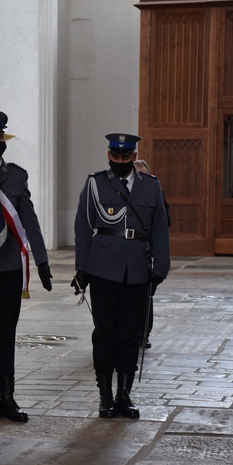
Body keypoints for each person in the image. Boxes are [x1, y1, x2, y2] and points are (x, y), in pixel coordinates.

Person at [72, 133, 170, 419]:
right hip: (102, 268)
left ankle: (123, 395)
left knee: (131, 334)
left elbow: (160, 230)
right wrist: (82, 269)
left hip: (138, 270)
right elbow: (82, 227)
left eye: (126, 157)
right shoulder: (95, 183)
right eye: (115, 157)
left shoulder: (151, 186)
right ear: (109, 156)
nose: (120, 162)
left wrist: (160, 268)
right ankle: (104, 396)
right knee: (105, 334)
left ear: (133, 156)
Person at [0, 110, 53, 424]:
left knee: (5, 335)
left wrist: (42, 261)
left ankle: (8, 397)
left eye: (0, 137)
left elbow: (29, 220)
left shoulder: (17, 176)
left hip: (8, 269)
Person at [133, 159, 171, 348]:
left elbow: (165, 223)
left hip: (144, 253)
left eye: (143, 174)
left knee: (146, 296)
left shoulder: (155, 192)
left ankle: (143, 334)